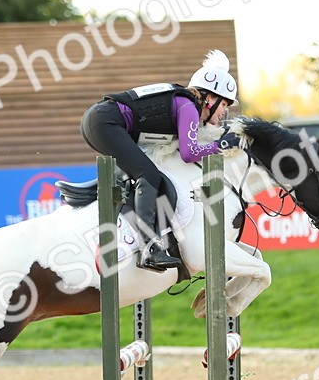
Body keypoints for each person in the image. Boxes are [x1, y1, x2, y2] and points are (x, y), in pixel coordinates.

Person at [80, 49, 240, 271]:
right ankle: (149, 248)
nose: (225, 112)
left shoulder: (186, 103)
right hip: (105, 123)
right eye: (224, 104)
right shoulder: (189, 107)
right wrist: (221, 145)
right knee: (149, 176)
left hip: (99, 121)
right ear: (210, 98)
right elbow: (188, 153)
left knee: (146, 174)